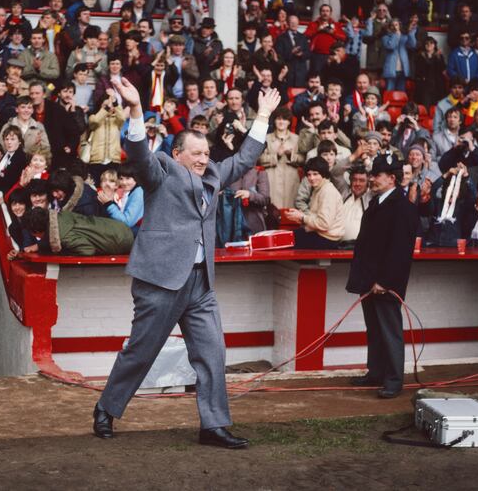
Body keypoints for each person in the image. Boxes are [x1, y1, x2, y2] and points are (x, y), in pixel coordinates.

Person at [92, 76, 281, 448]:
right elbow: (138, 154)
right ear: (177, 154)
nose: (203, 159)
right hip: (160, 281)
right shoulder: (160, 170)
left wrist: (262, 114)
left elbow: (244, 157)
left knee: (212, 352)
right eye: (196, 153)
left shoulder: (213, 174)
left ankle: (213, 426)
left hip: (200, 285)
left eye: (206, 153)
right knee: (141, 351)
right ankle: (106, 408)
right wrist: (134, 109)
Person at [346, 152, 419, 399]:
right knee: (375, 329)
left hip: (385, 283)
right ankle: (376, 372)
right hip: (370, 280)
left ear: (391, 178)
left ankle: (393, 379)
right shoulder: (377, 202)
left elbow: (400, 251)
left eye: (376, 175)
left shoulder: (403, 207)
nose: (372, 179)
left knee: (389, 330)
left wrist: (385, 282)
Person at [287, 156, 345, 249]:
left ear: (323, 174)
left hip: (328, 239)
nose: (312, 178)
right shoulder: (319, 188)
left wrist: (302, 217)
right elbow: (316, 217)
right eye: (309, 175)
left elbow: (324, 224)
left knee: (286, 241)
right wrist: (301, 218)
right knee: (286, 237)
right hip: (321, 234)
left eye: (315, 174)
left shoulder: (327, 191)